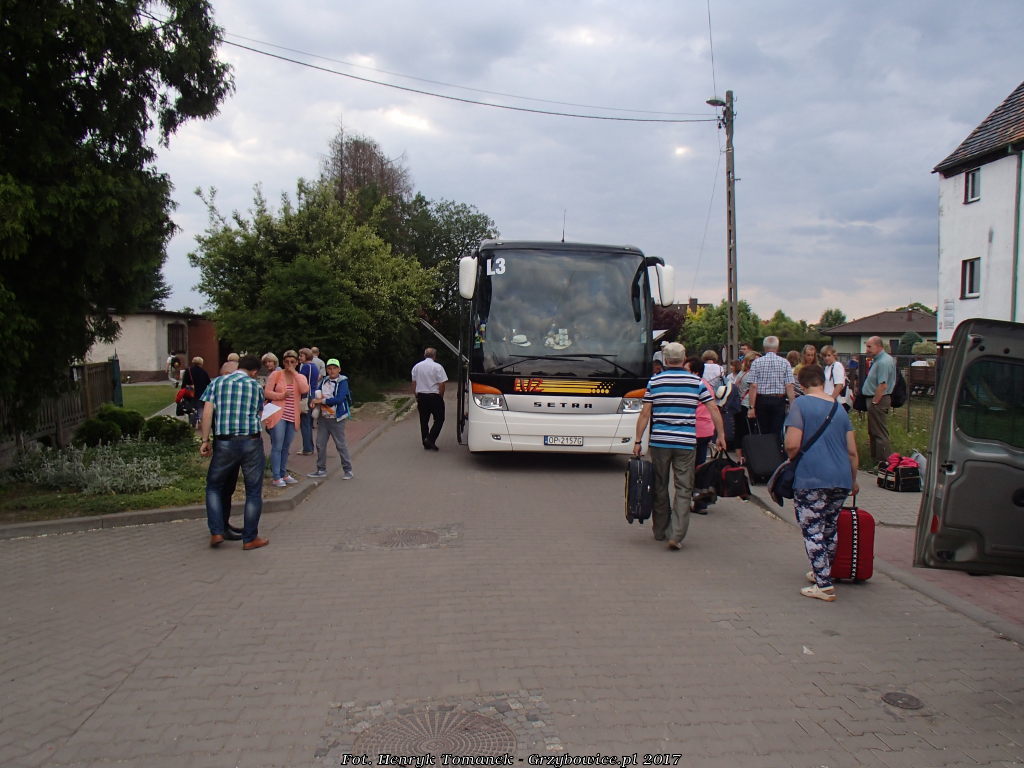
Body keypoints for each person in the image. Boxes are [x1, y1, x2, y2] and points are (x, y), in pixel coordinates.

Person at [634, 342, 727, 549]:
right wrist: (720, 435)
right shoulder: (696, 382)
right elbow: (713, 408)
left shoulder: (655, 381)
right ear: (684, 358)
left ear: (666, 360)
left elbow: (645, 413)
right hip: (685, 442)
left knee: (659, 485)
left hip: (660, 441)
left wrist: (638, 441)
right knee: (684, 487)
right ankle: (676, 534)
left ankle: (660, 529)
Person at [783, 364, 859, 601]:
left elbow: (792, 444)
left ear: (802, 384)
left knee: (812, 528)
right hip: (841, 477)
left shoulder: (800, 404)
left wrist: (791, 458)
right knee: (829, 526)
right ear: (824, 382)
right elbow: (852, 451)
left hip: (811, 476)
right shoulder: (839, 408)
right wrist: (853, 480)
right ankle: (823, 571)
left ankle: (823, 584)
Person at [198, 355, 269, 550]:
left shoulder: (217, 383)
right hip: (251, 441)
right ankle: (250, 538)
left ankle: (216, 531)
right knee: (253, 490)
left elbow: (207, 413)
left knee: (214, 486)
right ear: (254, 371)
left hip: (225, 441)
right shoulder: (256, 386)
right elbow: (258, 411)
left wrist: (205, 440)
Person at [264, 349, 309, 487]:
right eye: (287, 361)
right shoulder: (276, 375)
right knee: (277, 446)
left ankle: (283, 473)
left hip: (292, 415)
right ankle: (276, 476)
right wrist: (281, 396)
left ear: (297, 363)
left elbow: (305, 389)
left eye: (292, 361)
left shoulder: (299, 376)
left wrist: (294, 373)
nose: (289, 364)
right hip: (278, 414)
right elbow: (267, 393)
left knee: (286, 446)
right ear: (283, 362)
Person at [307, 358, 354, 479]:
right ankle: (321, 469)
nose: (332, 371)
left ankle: (348, 470)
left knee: (340, 445)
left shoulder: (342, 381)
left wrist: (322, 401)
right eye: (329, 368)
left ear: (339, 369)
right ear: (326, 370)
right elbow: (317, 392)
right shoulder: (324, 381)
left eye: (334, 368)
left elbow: (339, 398)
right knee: (320, 444)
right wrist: (314, 400)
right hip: (323, 417)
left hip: (336, 418)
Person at [747, 336, 796, 443]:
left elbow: (753, 386)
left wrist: (751, 407)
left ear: (764, 348)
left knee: (762, 430)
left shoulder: (757, 362)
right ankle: (775, 450)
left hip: (762, 400)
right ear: (777, 348)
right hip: (779, 400)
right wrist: (793, 405)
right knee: (777, 431)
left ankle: (764, 450)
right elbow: (789, 385)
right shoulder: (785, 363)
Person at [862, 336, 896, 465]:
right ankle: (875, 460)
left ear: (879, 346)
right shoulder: (878, 360)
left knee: (879, 432)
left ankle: (883, 462)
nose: (867, 349)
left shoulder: (883, 362)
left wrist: (875, 402)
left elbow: (882, 385)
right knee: (873, 431)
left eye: (869, 346)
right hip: (875, 398)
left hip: (878, 399)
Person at [411, 348, 448, 450]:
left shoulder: (416, 367)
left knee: (424, 420)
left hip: (421, 396)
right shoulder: (438, 367)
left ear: (424, 355)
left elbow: (414, 383)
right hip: (434, 396)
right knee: (439, 419)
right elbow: (442, 384)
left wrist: (416, 395)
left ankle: (425, 442)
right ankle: (430, 439)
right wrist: (440, 396)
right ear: (434, 356)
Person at [297, 348, 319, 456]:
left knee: (305, 423)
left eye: (301, 356)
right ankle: (309, 446)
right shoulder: (314, 366)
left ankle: (307, 448)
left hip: (306, 396)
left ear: (306, 356)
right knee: (309, 423)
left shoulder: (306, 367)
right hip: (313, 394)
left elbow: (299, 381)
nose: (299, 358)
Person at [181, 356, 212, 428]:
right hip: (201, 393)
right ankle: (200, 421)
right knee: (200, 408)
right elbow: (209, 383)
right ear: (201, 363)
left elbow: (184, 383)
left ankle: (192, 424)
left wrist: (183, 391)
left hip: (190, 393)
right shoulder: (203, 372)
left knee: (191, 408)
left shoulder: (188, 371)